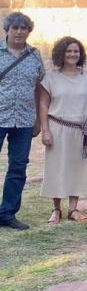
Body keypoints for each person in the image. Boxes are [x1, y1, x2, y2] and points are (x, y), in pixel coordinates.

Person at [39, 37, 87, 223]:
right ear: (61, 53)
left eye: (76, 51)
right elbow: (43, 104)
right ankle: (56, 209)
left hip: (82, 129)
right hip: (58, 128)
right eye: (68, 51)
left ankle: (73, 209)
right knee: (57, 167)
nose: (73, 54)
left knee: (78, 168)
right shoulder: (51, 77)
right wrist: (45, 130)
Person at [0, 12, 44, 230]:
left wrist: (38, 120)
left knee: (18, 167)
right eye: (15, 28)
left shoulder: (35, 56)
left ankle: (7, 214)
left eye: (23, 28)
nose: (19, 32)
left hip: (25, 120)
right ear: (7, 30)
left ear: (28, 31)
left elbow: (39, 88)